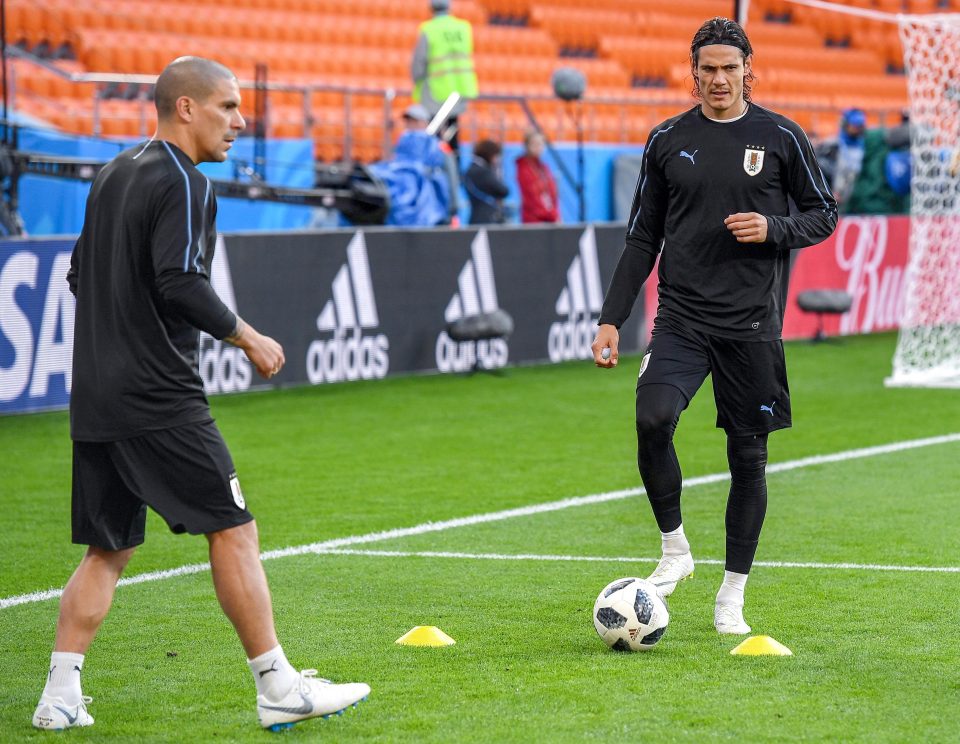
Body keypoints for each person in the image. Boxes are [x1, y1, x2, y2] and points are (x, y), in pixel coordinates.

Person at [32, 57, 370, 732]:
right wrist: (248, 337)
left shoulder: (113, 171)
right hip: (159, 398)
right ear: (184, 108)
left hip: (97, 397)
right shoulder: (183, 182)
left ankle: (59, 695)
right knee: (234, 528)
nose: (240, 123)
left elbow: (77, 274)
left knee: (109, 549)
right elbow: (178, 281)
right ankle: (276, 683)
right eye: (227, 107)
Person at [590, 18, 837, 635]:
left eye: (730, 67)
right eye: (708, 69)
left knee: (747, 460)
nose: (719, 79)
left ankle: (732, 596)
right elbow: (643, 236)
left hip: (751, 325)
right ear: (693, 72)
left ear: (748, 69)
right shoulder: (667, 139)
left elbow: (824, 213)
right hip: (681, 317)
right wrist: (611, 318)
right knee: (652, 419)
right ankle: (675, 552)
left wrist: (774, 229)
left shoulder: (782, 136)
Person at [411, 0, 478, 154]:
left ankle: (441, 171)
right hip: (460, 90)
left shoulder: (429, 29)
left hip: (438, 92)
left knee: (435, 137)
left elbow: (418, 63)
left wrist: (418, 83)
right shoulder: (463, 28)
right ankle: (453, 169)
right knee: (451, 135)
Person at [516, 129, 560, 224]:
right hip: (534, 219)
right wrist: (550, 215)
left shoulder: (543, 167)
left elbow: (552, 193)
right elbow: (532, 198)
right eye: (535, 144)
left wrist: (555, 214)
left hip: (549, 217)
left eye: (541, 144)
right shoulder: (524, 168)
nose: (538, 147)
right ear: (527, 146)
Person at [464, 138, 509, 225]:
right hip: (487, 219)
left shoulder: (471, 169)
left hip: (476, 217)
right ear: (490, 155)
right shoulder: (482, 171)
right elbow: (503, 190)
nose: (496, 160)